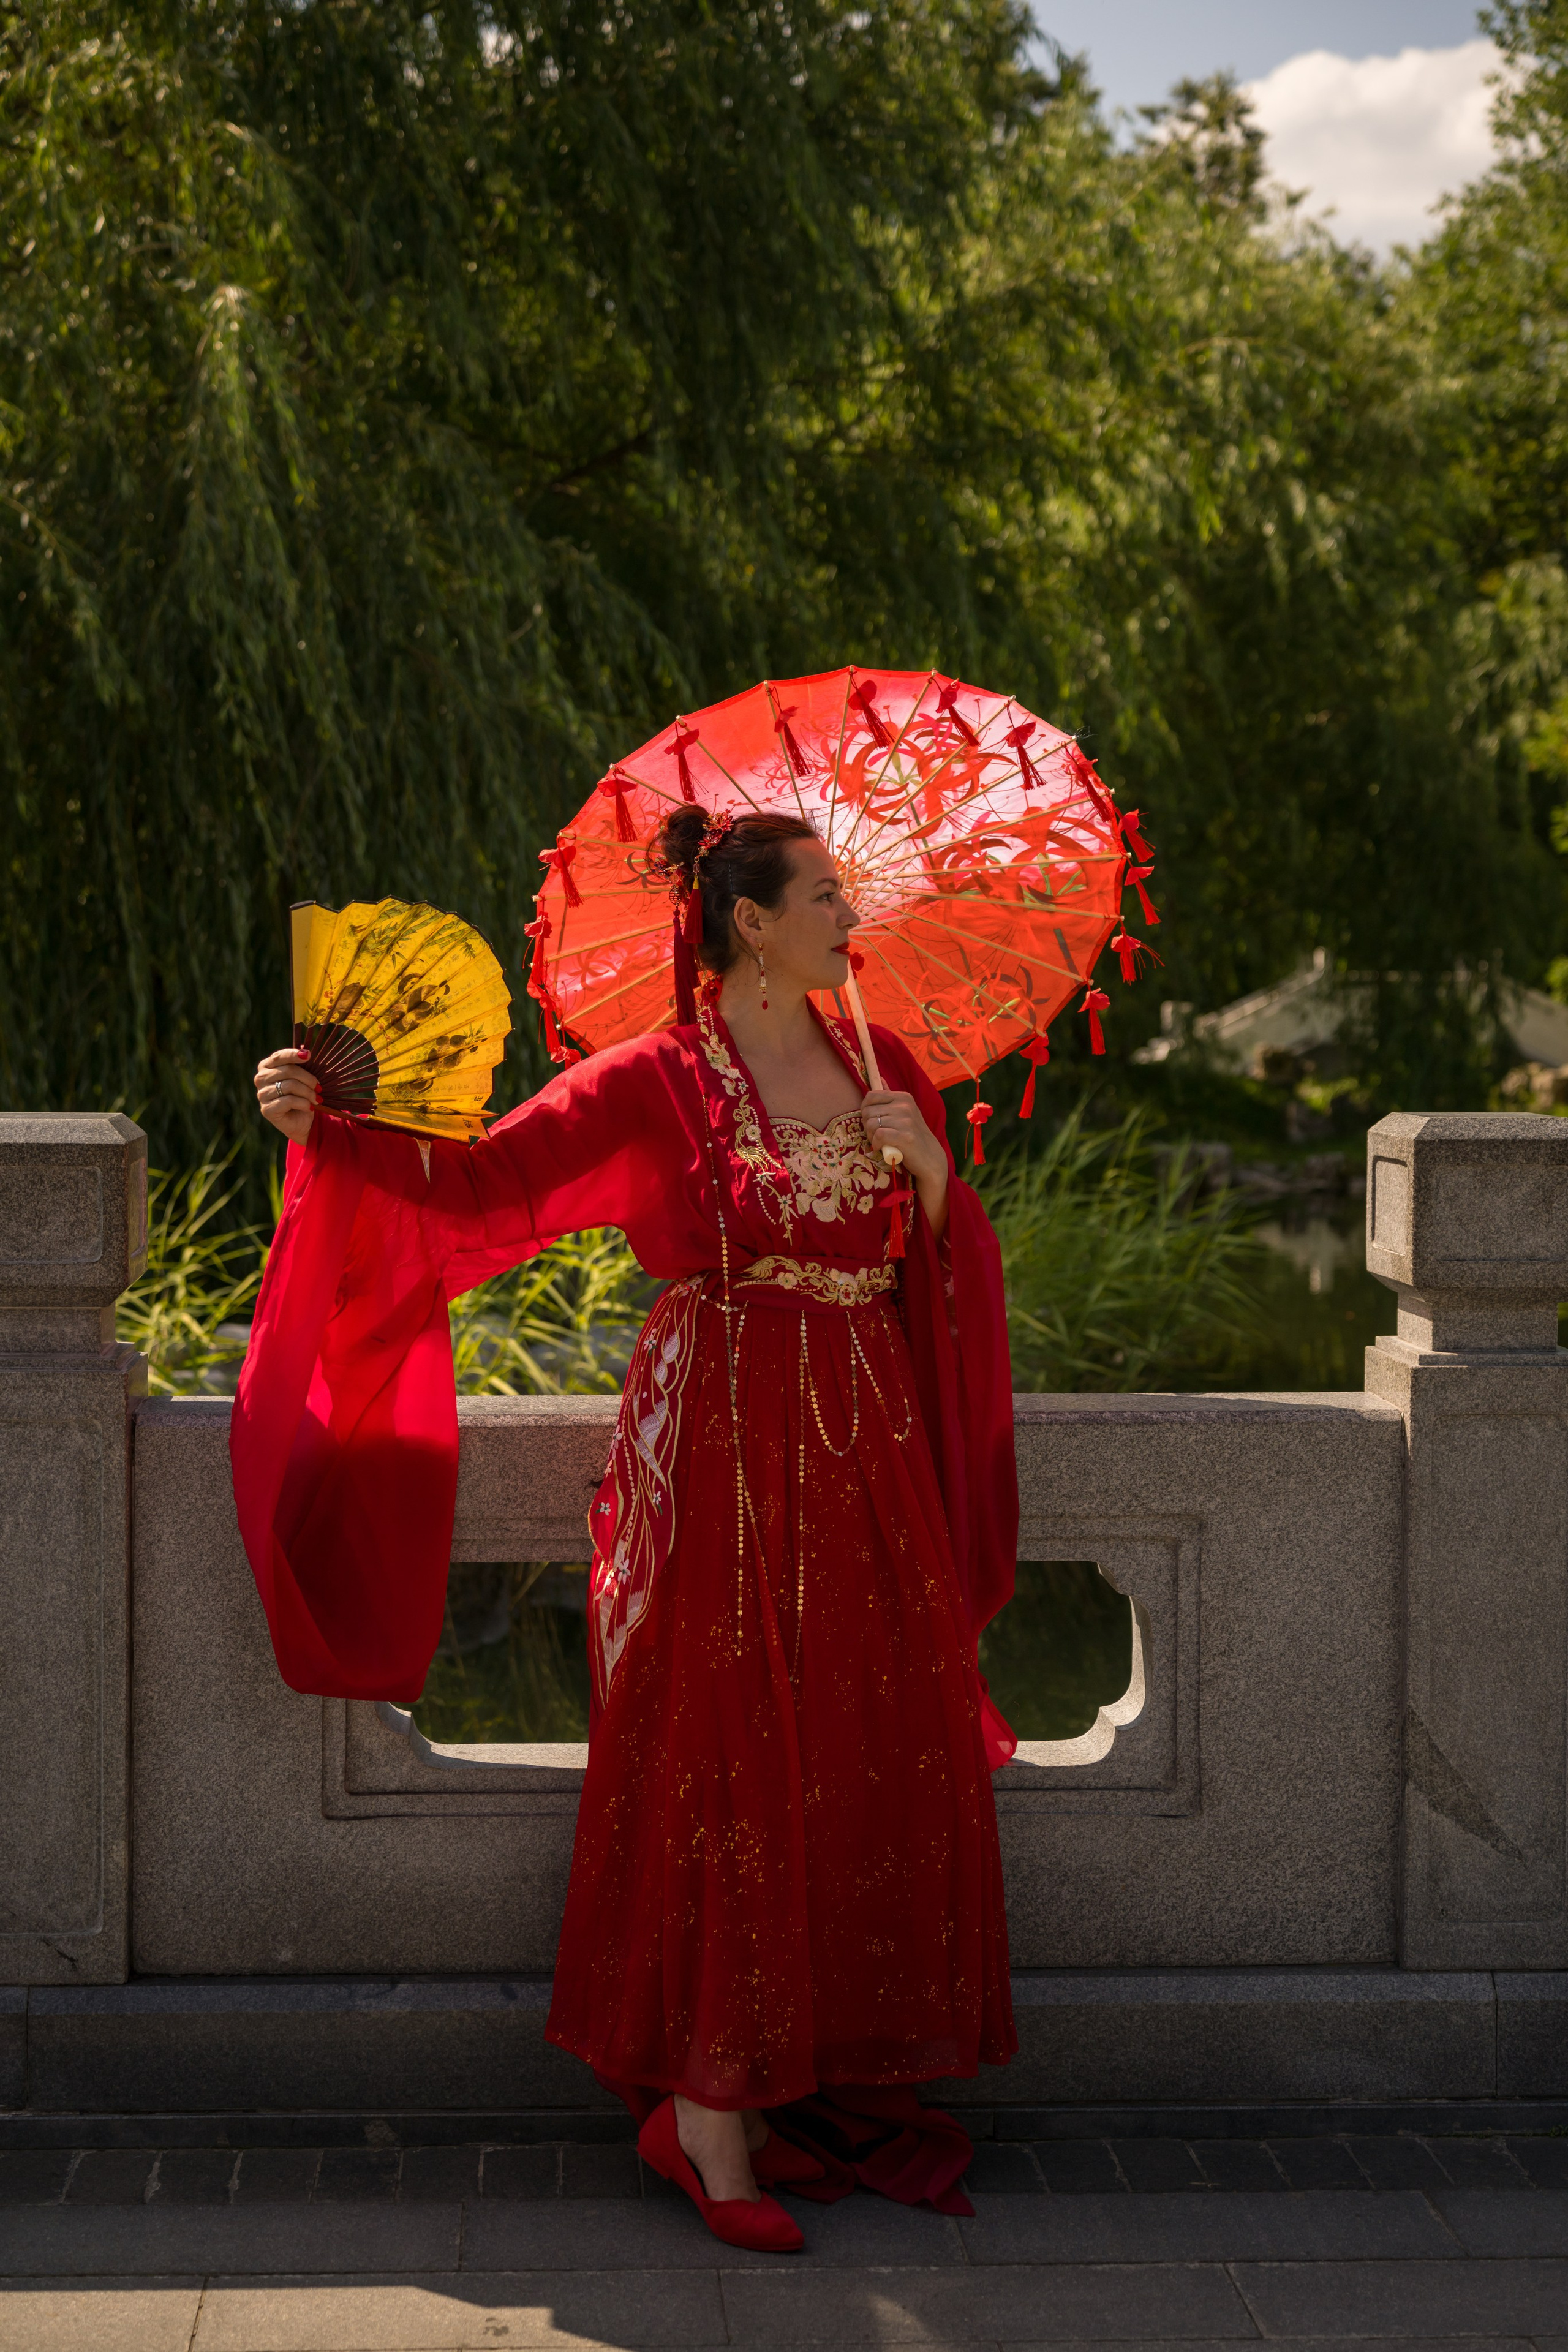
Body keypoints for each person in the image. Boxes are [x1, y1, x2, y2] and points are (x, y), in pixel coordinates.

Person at [239, 805, 1019, 2251]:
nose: (855, 919)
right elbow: (479, 1192)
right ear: (752, 922)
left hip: (864, 1453)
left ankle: (808, 2066)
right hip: (712, 1454)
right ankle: (709, 2120)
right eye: (830, 895)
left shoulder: (879, 1064)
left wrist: (930, 1176)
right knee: (720, 1748)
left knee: (856, 1738)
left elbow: (941, 1263)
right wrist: (330, 1129)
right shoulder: (653, 1083)